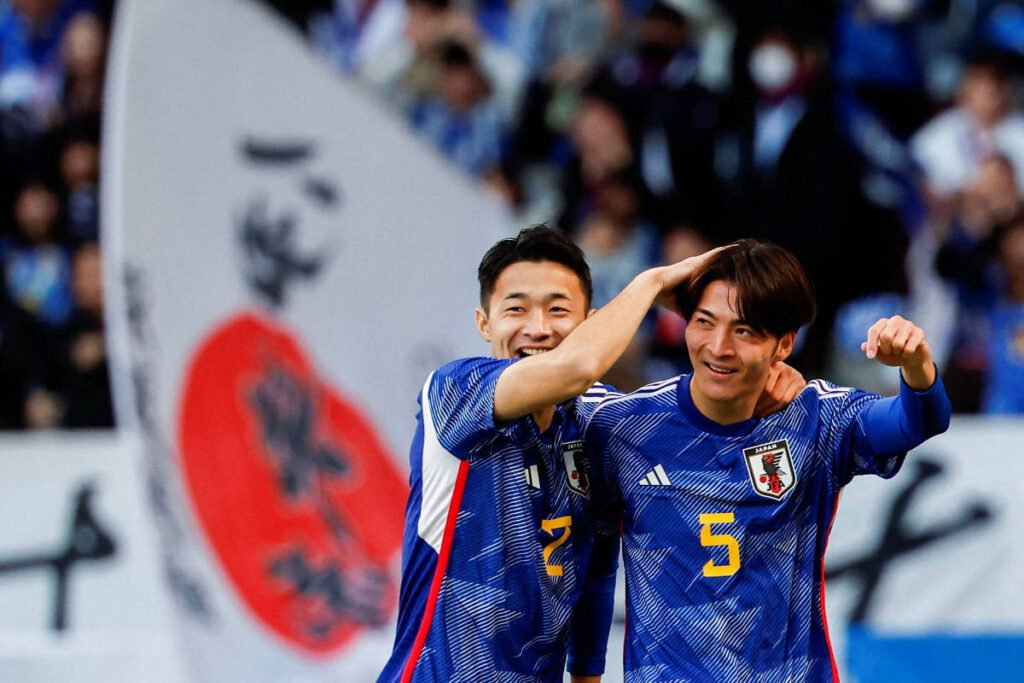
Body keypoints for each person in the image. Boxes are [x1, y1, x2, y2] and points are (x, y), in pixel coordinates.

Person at [378, 227, 802, 682]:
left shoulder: (595, 424)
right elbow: (576, 366)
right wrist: (651, 283)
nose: (538, 328)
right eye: (516, 309)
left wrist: (769, 372)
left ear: (590, 323)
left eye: (558, 310)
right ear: (484, 323)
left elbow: (596, 571)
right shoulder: (455, 392)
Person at [584, 239, 951, 682]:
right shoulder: (624, 426)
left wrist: (916, 364)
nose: (719, 347)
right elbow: (593, 567)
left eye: (745, 331)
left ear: (784, 345)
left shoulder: (817, 419)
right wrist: (652, 282)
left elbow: (918, 421)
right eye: (704, 322)